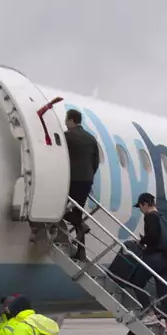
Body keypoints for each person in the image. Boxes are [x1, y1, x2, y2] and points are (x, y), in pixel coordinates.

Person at [63, 109, 101, 260]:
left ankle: (81, 226)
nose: (65, 123)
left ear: (72, 120)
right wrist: (89, 174)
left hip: (72, 179)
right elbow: (95, 162)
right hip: (86, 179)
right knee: (77, 212)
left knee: (58, 210)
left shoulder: (67, 136)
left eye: (66, 120)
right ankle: (81, 251)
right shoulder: (91, 138)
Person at [136, 193, 167, 308]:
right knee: (163, 293)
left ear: (145, 204)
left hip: (154, 258)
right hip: (166, 258)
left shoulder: (150, 216)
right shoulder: (163, 217)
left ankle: (149, 313)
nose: (141, 210)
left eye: (140, 207)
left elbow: (152, 236)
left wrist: (142, 242)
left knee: (136, 283)